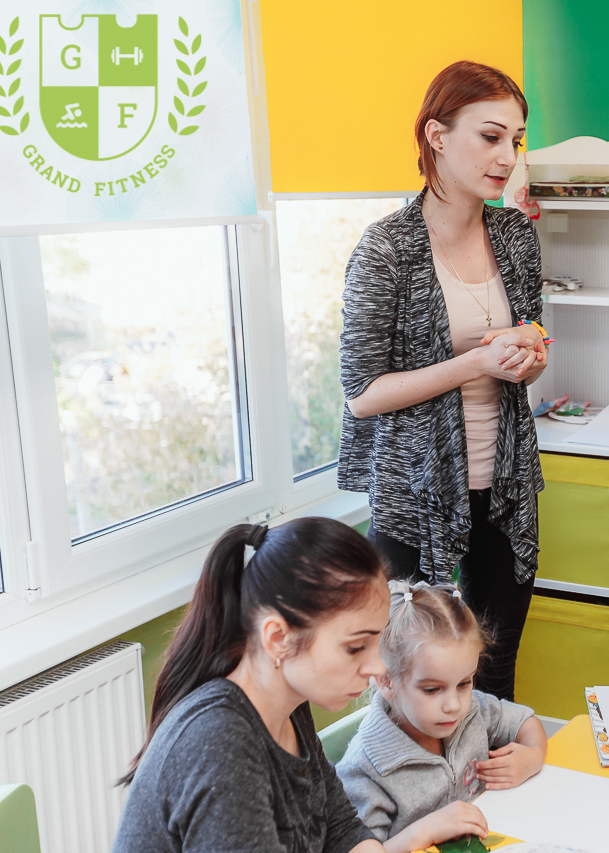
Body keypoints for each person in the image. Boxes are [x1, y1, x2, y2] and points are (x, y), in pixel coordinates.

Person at [337, 60, 546, 701]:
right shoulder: (386, 249)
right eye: (490, 137)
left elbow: (527, 337)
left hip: (505, 484)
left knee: (495, 673)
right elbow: (362, 394)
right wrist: (476, 364)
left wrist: (529, 357)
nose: (507, 156)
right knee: (408, 680)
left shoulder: (514, 235)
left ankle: (491, 771)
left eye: (516, 140)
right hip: (415, 491)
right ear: (437, 136)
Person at [113, 518, 391, 853]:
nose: (378, 667)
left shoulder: (289, 706)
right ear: (278, 638)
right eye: (356, 647)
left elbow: (342, 831)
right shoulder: (218, 742)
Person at [337, 580, 547, 852]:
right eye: (432, 689)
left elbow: (525, 721)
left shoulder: (474, 710)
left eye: (464, 683)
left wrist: (533, 755)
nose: (454, 705)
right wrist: (424, 831)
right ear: (387, 682)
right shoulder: (365, 769)